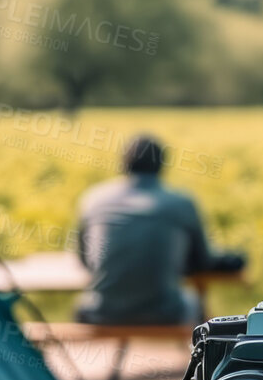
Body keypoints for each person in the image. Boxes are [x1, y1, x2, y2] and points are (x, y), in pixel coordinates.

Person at [75, 135, 241, 324]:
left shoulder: (93, 200)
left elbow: (85, 259)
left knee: (81, 303)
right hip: (165, 313)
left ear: (124, 164)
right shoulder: (182, 203)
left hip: (101, 313)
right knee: (196, 303)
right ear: (162, 165)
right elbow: (202, 260)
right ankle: (200, 353)